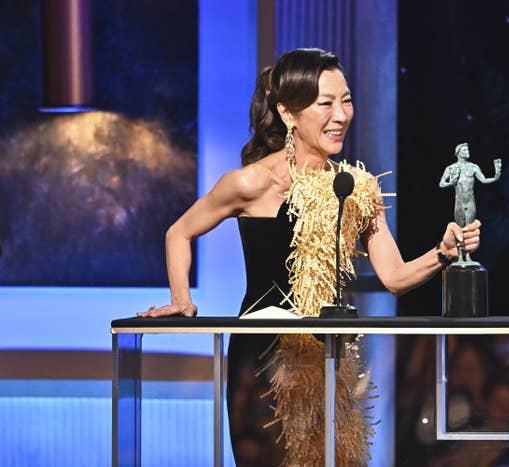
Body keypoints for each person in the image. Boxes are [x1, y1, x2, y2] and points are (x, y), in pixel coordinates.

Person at [139, 48, 481, 465]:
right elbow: (179, 232)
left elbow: (394, 277)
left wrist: (442, 254)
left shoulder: (357, 187)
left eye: (347, 100)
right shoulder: (251, 182)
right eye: (326, 104)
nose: (340, 115)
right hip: (263, 361)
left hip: (328, 358)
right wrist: (181, 300)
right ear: (288, 113)